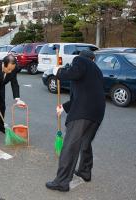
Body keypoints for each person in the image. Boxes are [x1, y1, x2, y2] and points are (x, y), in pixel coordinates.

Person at [46, 50, 106, 192]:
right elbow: (80, 96)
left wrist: (58, 71)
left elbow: (74, 72)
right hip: (96, 113)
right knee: (85, 143)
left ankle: (62, 182)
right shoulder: (96, 71)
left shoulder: (81, 61)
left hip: (83, 113)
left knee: (69, 147)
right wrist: (64, 107)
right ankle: (85, 171)